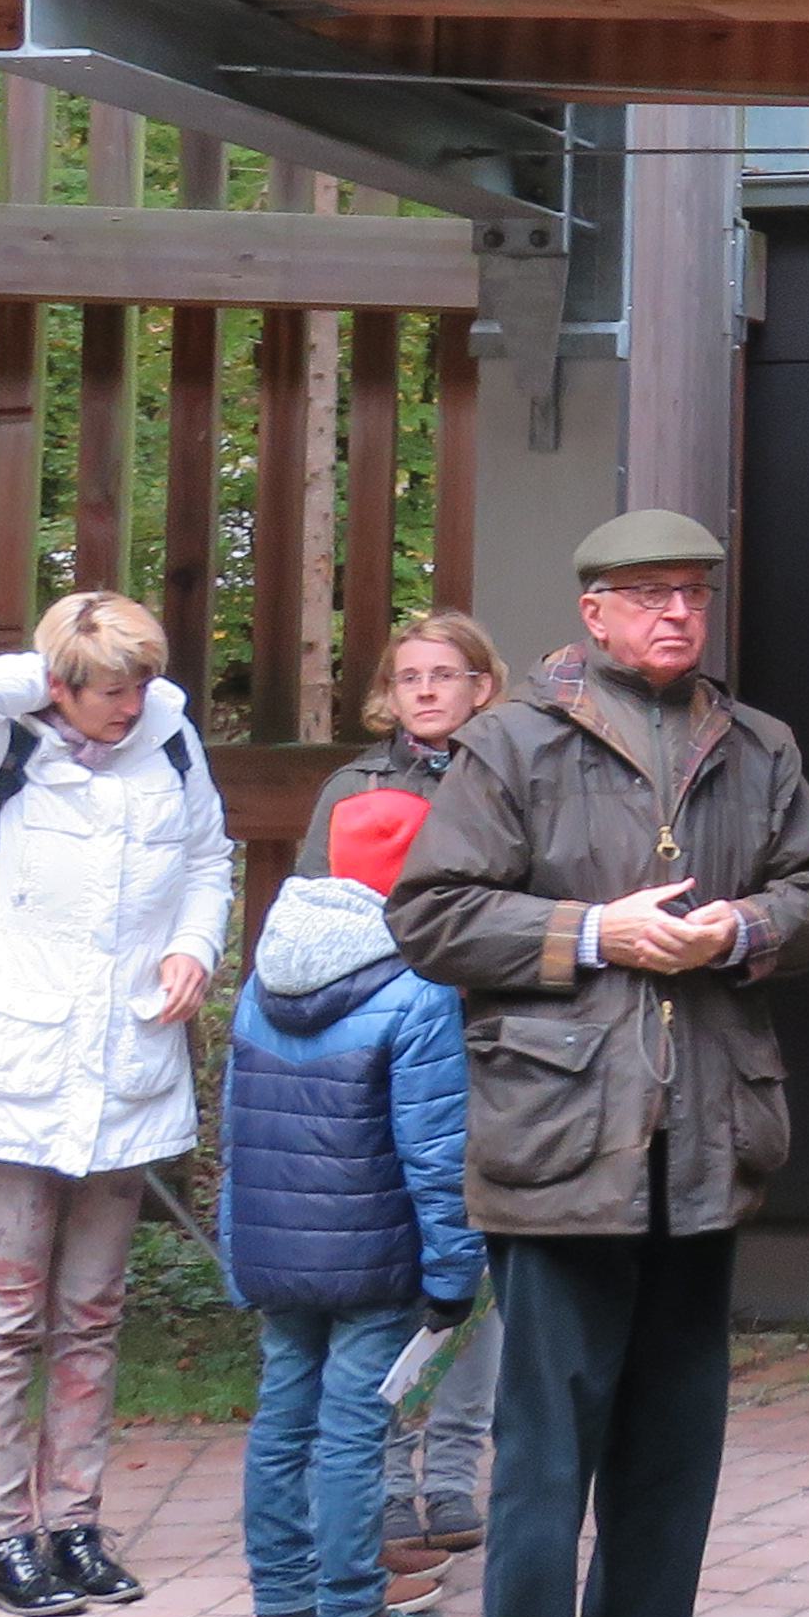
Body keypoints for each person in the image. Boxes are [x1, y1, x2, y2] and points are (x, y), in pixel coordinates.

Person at [388, 508, 809, 1617]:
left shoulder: (758, 746)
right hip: (561, 1138)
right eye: (649, 595)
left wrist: (741, 927)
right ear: (592, 613)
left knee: (675, 1433)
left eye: (692, 594)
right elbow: (431, 914)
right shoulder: (510, 743)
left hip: (704, 1134)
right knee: (549, 1444)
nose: (676, 614)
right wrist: (595, 934)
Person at [0, 589, 229, 1617]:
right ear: (59, 686)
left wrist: (193, 946)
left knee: (91, 1315)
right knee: (4, 1315)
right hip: (11, 1076)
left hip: (124, 1073)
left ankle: (75, 1526)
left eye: (141, 686)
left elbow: (207, 861)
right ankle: (1, 1539)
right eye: (106, 692)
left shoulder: (171, 743)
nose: (128, 708)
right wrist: (65, 652)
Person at [220, 782, 478, 1617]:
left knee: (282, 1423)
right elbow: (437, 1154)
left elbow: (237, 1134)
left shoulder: (262, 978)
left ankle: (282, 1608)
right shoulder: (419, 988)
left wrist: (238, 1255)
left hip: (275, 1251)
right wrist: (455, 1274)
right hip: (376, 1257)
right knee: (354, 1431)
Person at [306, 607, 505, 1560]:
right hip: (380, 1047)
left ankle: (456, 1470)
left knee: (477, 1257)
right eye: (410, 676)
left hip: (484, 1042)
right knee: (389, 1258)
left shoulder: (511, 778)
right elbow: (313, 918)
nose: (426, 690)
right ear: (389, 692)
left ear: (482, 687)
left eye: (445, 674)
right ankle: (384, 1476)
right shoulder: (351, 788)